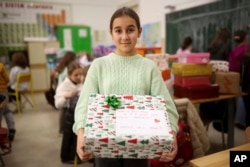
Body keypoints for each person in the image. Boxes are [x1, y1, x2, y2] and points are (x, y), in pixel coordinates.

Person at [73, 7, 179, 167]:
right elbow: (84, 105)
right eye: (118, 30)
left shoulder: (149, 67)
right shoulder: (98, 65)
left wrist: (172, 135)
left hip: (141, 147)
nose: (124, 36)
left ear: (139, 31)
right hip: (104, 146)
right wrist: (81, 133)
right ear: (111, 33)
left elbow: (167, 107)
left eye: (130, 30)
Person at [54, 62, 83, 134]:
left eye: (80, 74)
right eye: (76, 75)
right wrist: (65, 96)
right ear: (69, 75)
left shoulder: (83, 83)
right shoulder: (62, 86)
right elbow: (57, 105)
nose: (79, 77)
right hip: (69, 112)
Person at [0, 62, 16, 141]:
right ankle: (11, 129)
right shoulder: (1, 66)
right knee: (7, 111)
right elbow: (7, 79)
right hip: (2, 91)